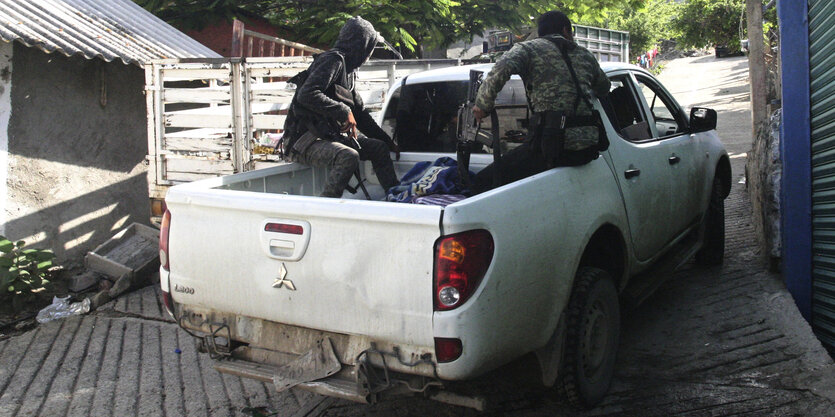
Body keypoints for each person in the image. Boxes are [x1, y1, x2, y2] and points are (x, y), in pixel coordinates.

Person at [471, 11, 611, 193]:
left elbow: (500, 69)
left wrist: (482, 105)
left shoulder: (527, 49)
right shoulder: (585, 55)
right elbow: (604, 88)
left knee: (482, 182)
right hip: (588, 148)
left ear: (540, 32)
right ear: (565, 30)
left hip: (553, 149)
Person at [281, 16, 399, 198]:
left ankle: (396, 196)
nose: (369, 54)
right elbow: (307, 94)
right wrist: (344, 111)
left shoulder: (348, 71)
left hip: (328, 136)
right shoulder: (333, 60)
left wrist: (389, 142)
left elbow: (361, 115)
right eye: (370, 47)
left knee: (379, 148)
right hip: (304, 141)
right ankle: (326, 206)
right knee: (348, 156)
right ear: (362, 44)